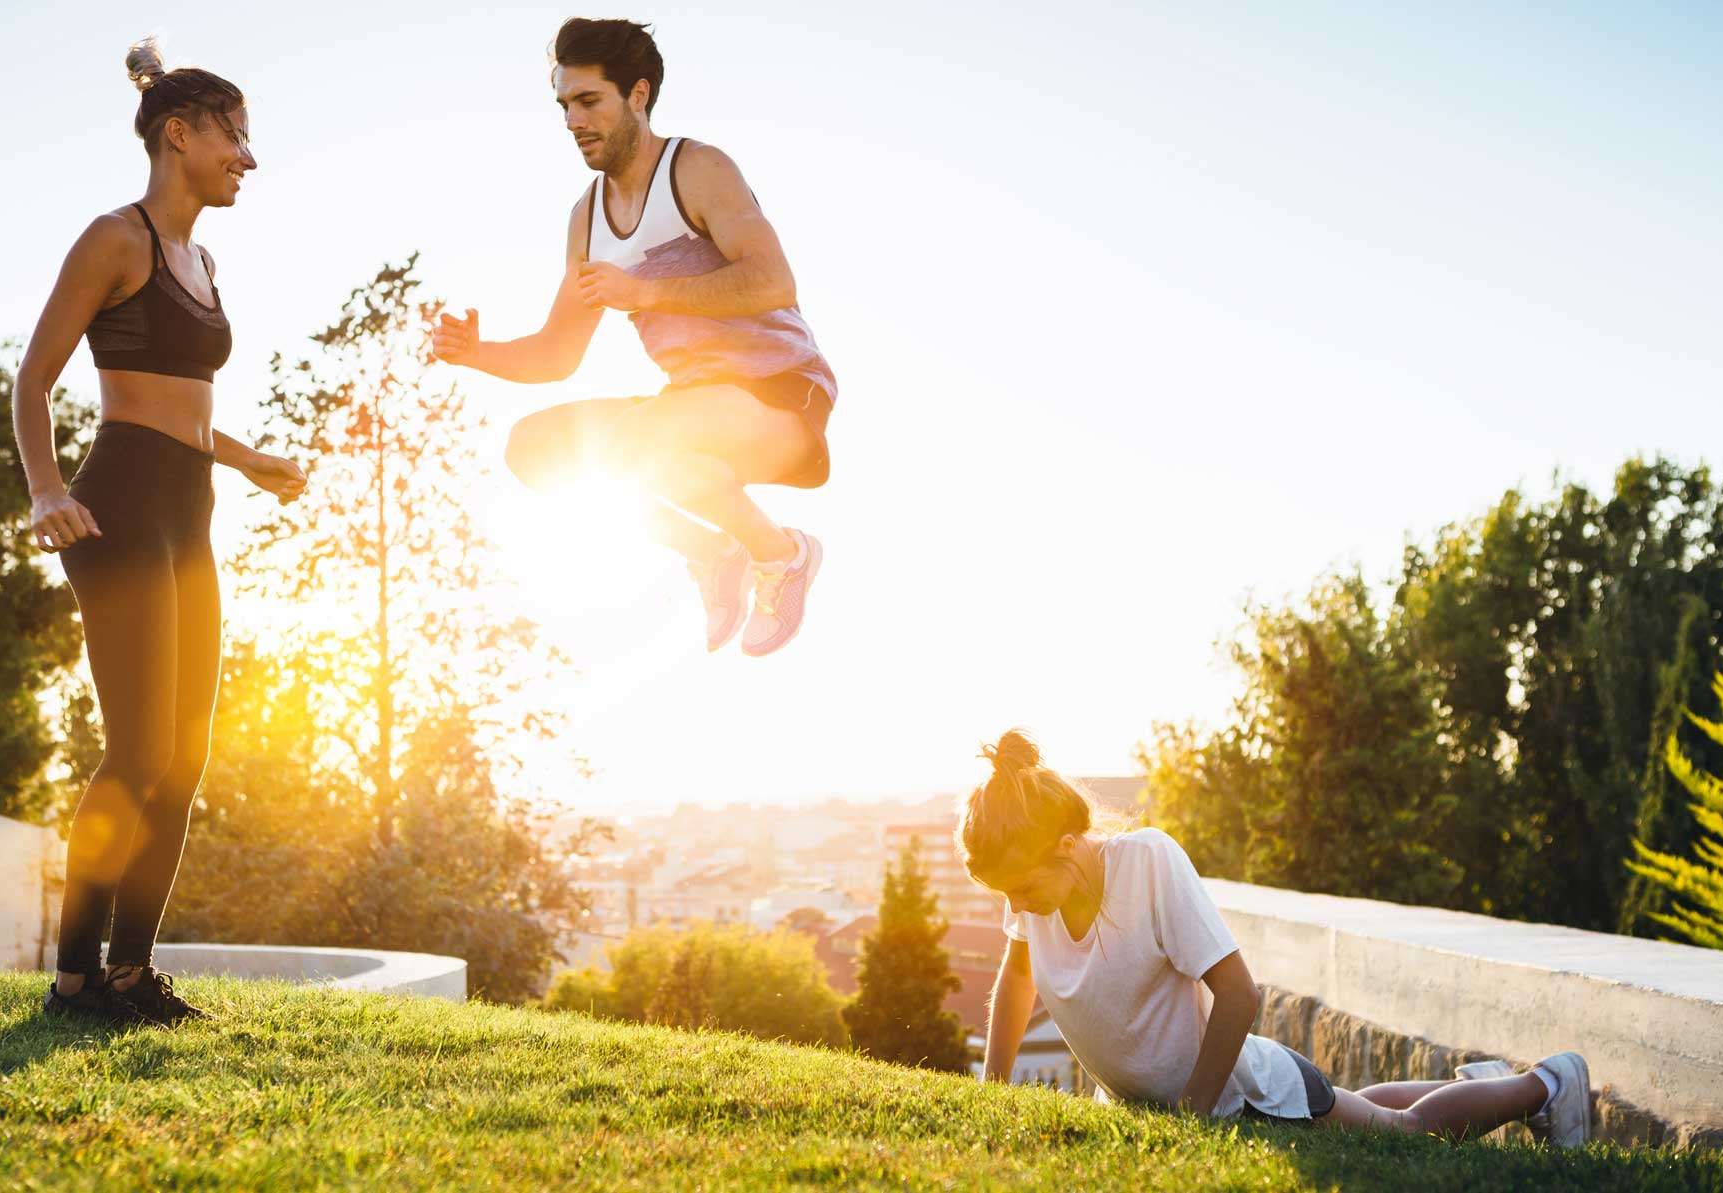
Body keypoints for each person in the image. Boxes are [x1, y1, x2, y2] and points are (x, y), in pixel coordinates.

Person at [12, 38, 306, 1026]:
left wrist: (247, 456)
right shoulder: (116, 239)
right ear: (178, 134)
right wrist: (47, 488)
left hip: (191, 509)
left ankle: (130, 974)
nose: (249, 159)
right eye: (236, 136)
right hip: (122, 509)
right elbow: (34, 380)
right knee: (134, 754)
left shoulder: (202, 256)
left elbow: (178, 407)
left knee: (183, 759)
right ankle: (72, 981)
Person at [963, 730, 1592, 1146]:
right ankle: (1479, 1086)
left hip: (1242, 1093)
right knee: (1353, 1108)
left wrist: (1191, 1120)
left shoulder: (1146, 864)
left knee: (1400, 1132)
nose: (1015, 908)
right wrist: (992, 1090)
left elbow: (1238, 994)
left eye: (1020, 887)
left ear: (1068, 848)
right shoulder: (1039, 899)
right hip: (1182, 1099)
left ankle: (1547, 1085)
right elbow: (1017, 980)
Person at [433, 18, 836, 656]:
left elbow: (774, 281)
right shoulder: (587, 220)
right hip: (687, 408)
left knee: (649, 441)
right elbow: (557, 355)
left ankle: (785, 556)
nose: (573, 120)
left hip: (781, 394)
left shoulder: (698, 169)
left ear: (639, 97)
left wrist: (646, 291)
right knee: (534, 447)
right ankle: (713, 552)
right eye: (565, 105)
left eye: (589, 101)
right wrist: (475, 353)